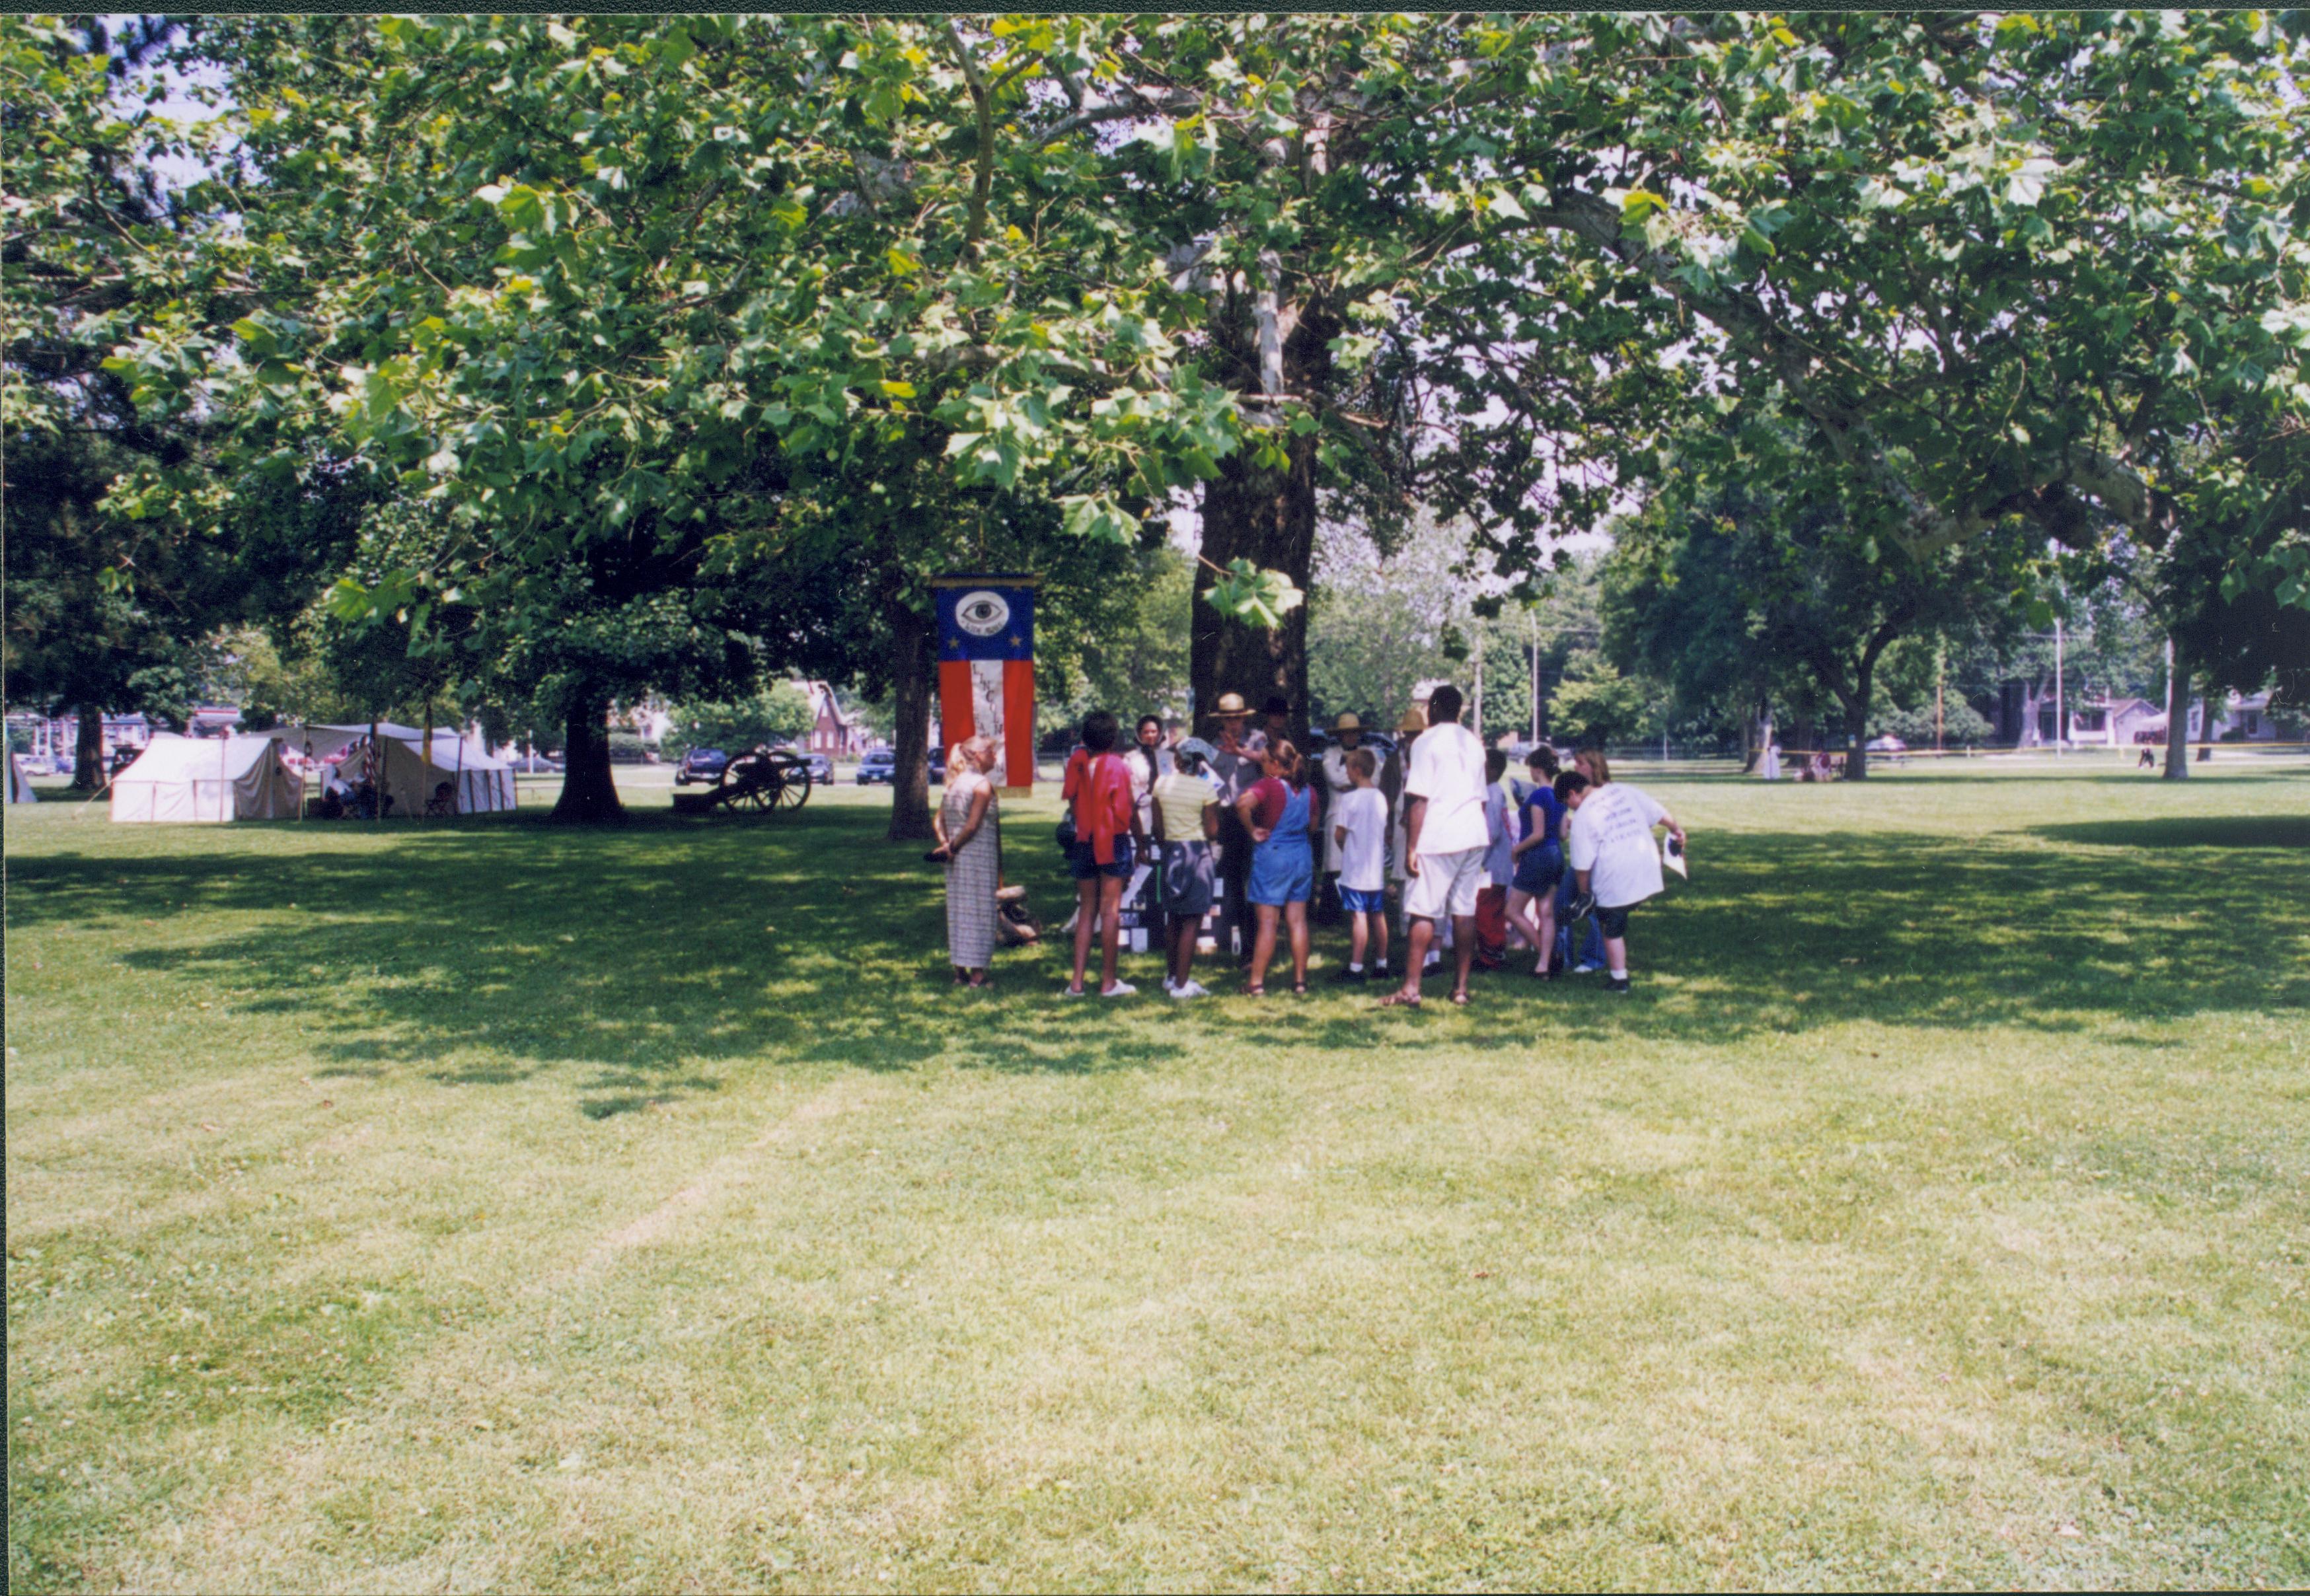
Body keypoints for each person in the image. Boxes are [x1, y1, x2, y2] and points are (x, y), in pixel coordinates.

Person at [1380, 684, 1488, 1009]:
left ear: (1435, 707)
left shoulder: (1426, 742)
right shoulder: (1474, 743)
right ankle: (1460, 989)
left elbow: (1418, 798)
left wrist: (1412, 846)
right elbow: (1481, 797)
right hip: (1473, 832)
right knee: (1464, 911)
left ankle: (1411, 988)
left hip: (1440, 833)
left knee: (1423, 910)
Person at [1562, 750, 1687, 994]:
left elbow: (1582, 865)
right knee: (1615, 920)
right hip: (1646, 865)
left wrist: (1585, 893)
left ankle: (1619, 980)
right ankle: (1616, 975)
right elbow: (1659, 812)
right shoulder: (1624, 791)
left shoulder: (1584, 816)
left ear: (1573, 795)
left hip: (1617, 873)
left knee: (1610, 925)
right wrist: (1676, 829)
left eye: (1567, 803)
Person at [1062, 710, 1142, 998]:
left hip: (1085, 840)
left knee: (1087, 910)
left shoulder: (1078, 764)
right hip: (1113, 840)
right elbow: (1127, 808)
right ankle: (1108, 982)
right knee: (1110, 911)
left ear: (1085, 738)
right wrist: (1142, 843)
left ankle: (1077, 983)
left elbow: (1072, 802)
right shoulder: (1118, 766)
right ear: (1112, 739)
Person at [1239, 737, 1319, 996]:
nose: (1262, 766)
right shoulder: (1309, 790)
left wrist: (1252, 829)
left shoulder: (1269, 785)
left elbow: (1242, 803)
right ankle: (1299, 982)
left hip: (1274, 854)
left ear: (1275, 764)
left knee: (1268, 923)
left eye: (1263, 761)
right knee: (1297, 921)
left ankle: (1256, 983)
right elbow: (1314, 825)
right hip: (1302, 855)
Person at [1154, 737, 1222, 1000]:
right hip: (1197, 853)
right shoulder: (1206, 790)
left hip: (1171, 850)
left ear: (1178, 760)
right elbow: (1212, 829)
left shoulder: (1161, 784)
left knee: (1174, 916)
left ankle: (1172, 977)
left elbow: (1158, 827)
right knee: (1192, 919)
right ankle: (1183, 986)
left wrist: (1169, 844)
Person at [930, 737, 1000, 988]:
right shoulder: (981, 785)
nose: (995, 756)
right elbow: (972, 825)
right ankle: (978, 974)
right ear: (979, 755)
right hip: (976, 856)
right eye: (991, 751)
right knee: (980, 911)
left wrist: (946, 845)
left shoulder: (954, 783)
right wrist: (954, 846)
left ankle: (959, 972)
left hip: (956, 858)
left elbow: (937, 820)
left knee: (959, 910)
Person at [1206, 692, 1264, 964]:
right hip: (1228, 815)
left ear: (1244, 718)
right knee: (1231, 882)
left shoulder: (1257, 740)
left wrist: (1240, 751)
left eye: (1237, 718)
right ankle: (1231, 941)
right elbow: (1209, 781)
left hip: (1253, 816)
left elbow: (1268, 761)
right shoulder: (1213, 746)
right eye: (1228, 719)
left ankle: (1256, 944)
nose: (1233, 724)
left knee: (1254, 880)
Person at [1330, 746, 1390, 983]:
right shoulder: (1380, 798)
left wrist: (1346, 849)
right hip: (1375, 869)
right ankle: (1382, 964)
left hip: (1356, 869)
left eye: (1348, 770)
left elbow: (1339, 835)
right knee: (1378, 914)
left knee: (1359, 917)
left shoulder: (1349, 799)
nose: (1346, 774)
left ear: (1356, 770)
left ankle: (1356, 967)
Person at [1507, 748, 1566, 976]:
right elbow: (1562, 834)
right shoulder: (1559, 796)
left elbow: (1537, 833)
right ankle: (1544, 964)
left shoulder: (1539, 796)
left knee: (1513, 911)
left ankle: (1547, 956)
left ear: (1538, 770)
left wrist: (1516, 850)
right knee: (1546, 912)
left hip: (1537, 856)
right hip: (1555, 855)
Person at [1318, 711, 1366, 916]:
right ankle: (1331, 911)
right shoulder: (1330, 754)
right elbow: (1335, 779)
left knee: (1360, 862)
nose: (1351, 737)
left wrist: (1352, 783)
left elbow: (1377, 779)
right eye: (1346, 733)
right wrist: (1361, 781)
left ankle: (1359, 907)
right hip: (1337, 814)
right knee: (1335, 865)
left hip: (1362, 814)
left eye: (1354, 733)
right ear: (1340, 735)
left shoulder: (1367, 753)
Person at [1126, 714, 1168, 838]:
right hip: (1142, 814)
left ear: (1160, 733)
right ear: (1139, 734)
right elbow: (1131, 789)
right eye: (1146, 732)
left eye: (1154, 732)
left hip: (1166, 814)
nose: (1150, 735)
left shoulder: (1170, 757)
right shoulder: (1131, 758)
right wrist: (1151, 800)